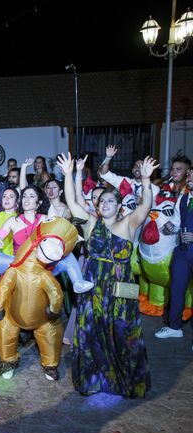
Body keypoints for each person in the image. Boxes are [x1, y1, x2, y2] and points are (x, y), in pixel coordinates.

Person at [58, 152, 158, 398]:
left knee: (122, 335)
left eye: (110, 202)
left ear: (120, 206)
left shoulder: (128, 224)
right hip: (94, 289)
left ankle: (125, 382)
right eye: (101, 202)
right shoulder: (92, 223)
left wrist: (146, 180)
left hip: (119, 290)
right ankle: (95, 380)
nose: (104, 205)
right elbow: (72, 202)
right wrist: (68, 174)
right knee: (92, 333)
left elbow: (146, 206)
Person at [155, 168, 193, 342]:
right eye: (189, 174)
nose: (189, 177)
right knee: (177, 288)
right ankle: (174, 327)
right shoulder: (183, 198)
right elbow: (177, 221)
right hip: (183, 250)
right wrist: (166, 227)